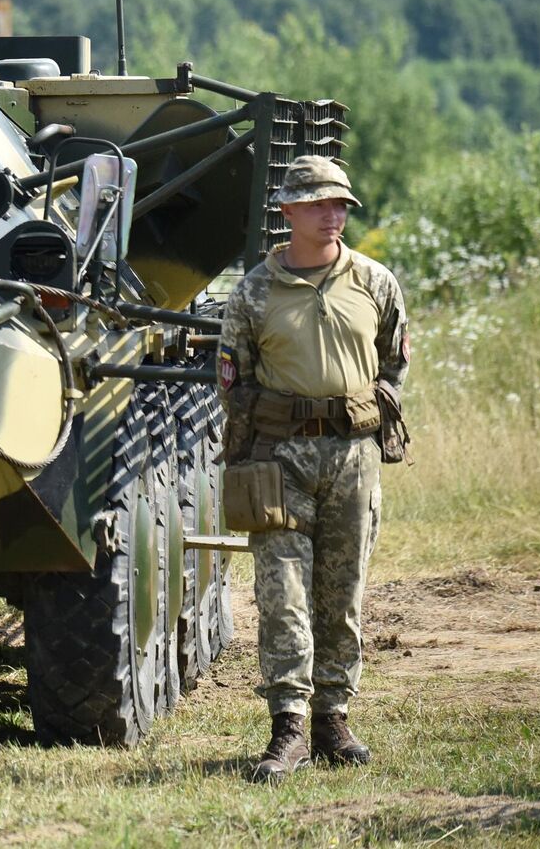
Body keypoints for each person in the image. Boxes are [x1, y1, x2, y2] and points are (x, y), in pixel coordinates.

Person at [218, 155, 409, 783]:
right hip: (280, 458)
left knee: (343, 590)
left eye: (341, 206)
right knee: (282, 592)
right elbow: (234, 379)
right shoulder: (254, 291)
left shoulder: (374, 282)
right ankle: (289, 727)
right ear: (289, 210)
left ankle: (333, 718)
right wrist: (246, 456)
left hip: (353, 457)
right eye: (320, 204)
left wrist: (368, 410)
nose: (333, 216)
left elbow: (393, 363)